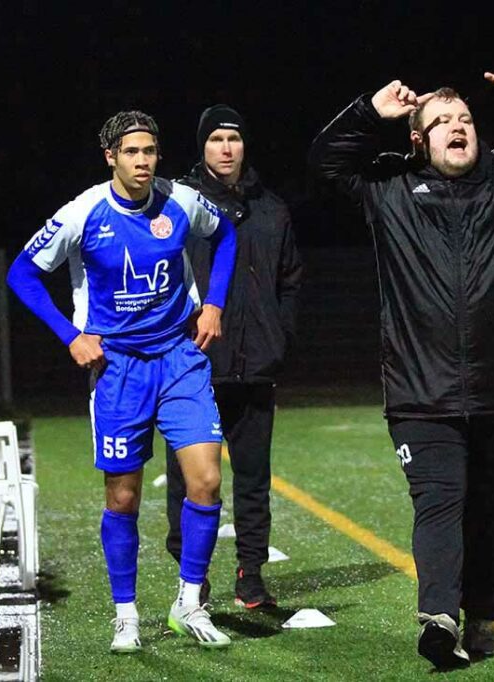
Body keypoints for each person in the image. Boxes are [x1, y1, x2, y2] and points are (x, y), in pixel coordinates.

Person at [310, 64, 494, 668]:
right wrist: (368, 111)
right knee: (440, 500)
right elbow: (325, 163)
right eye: (441, 121)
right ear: (418, 139)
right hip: (420, 393)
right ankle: (438, 617)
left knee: (489, 509)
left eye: (465, 119)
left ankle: (482, 613)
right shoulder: (387, 191)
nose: (457, 127)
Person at [7, 111, 237, 652]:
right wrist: (70, 335)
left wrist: (215, 305)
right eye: (132, 153)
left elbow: (224, 233)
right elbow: (23, 272)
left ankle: (189, 603)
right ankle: (126, 614)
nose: (142, 162)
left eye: (150, 151)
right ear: (110, 157)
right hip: (118, 369)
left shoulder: (179, 200)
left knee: (205, 482)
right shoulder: (82, 213)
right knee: (124, 496)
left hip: (181, 355)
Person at [165, 105, 302, 609]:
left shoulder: (272, 208)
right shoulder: (176, 203)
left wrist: (280, 338)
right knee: (187, 478)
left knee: (252, 476)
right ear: (201, 147)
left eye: (234, 139)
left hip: (257, 363)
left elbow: (290, 281)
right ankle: (191, 578)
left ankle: (251, 573)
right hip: (192, 365)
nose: (226, 148)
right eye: (216, 139)